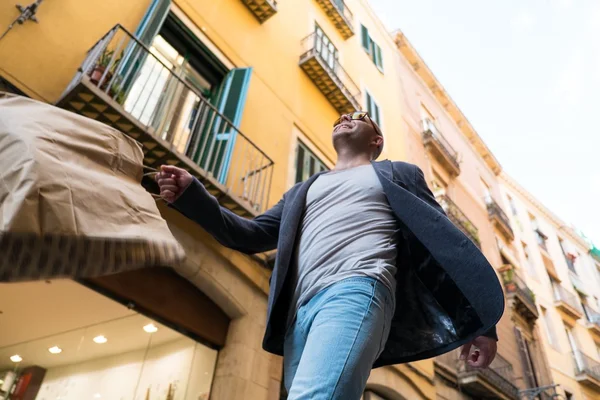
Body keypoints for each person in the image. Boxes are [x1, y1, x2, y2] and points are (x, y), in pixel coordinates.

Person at [155, 111, 504, 400]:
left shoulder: (398, 173)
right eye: (343, 116)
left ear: (376, 141)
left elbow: (442, 244)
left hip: (359, 289)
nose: (347, 116)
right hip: (300, 314)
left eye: (360, 116)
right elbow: (248, 235)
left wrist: (482, 324)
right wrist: (193, 197)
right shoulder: (301, 192)